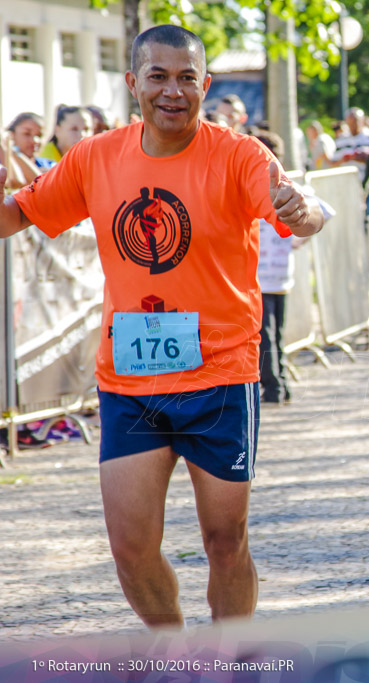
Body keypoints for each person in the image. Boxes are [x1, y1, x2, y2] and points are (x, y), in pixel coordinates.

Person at [0, 24, 324, 629]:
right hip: (129, 381)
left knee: (225, 542)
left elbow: (298, 212)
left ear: (204, 84)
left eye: (187, 78)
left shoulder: (239, 154)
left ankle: (232, 659)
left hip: (220, 377)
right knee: (130, 550)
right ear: (133, 84)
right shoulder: (96, 156)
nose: (173, 91)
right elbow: (18, 214)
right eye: (158, 77)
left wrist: (304, 213)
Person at [254, 131, 334, 404]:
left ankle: (274, 387)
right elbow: (325, 210)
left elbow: (322, 210)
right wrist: (300, 239)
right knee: (273, 334)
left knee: (268, 336)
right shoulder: (282, 186)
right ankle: (281, 385)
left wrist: (300, 234)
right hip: (276, 274)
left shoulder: (274, 186)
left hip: (264, 276)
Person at [3, 112, 56, 191]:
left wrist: (13, 151)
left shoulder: (50, 165)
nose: (35, 141)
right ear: (12, 135)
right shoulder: (4, 164)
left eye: (39, 135)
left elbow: (40, 185)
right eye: (27, 134)